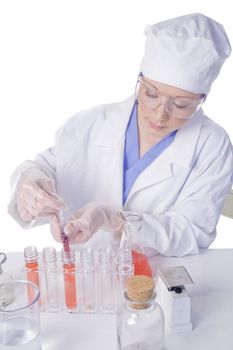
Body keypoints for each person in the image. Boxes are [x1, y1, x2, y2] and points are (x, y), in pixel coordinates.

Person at [8, 13, 233, 257]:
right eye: (151, 95)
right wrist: (29, 181)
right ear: (140, 82)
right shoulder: (91, 123)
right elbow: (43, 167)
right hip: (84, 271)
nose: (160, 116)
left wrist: (117, 221)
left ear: (201, 100)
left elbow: (193, 231)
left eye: (180, 105)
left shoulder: (213, 144)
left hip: (156, 277)